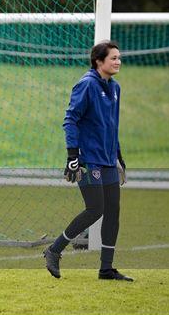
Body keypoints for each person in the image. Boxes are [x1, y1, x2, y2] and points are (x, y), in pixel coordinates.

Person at [44, 40, 133, 281]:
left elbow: (111, 127)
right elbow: (70, 120)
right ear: (98, 61)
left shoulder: (115, 88)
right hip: (88, 160)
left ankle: (106, 269)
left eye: (119, 57)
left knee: (113, 211)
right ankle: (53, 250)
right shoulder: (86, 85)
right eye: (113, 58)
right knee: (96, 209)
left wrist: (118, 156)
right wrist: (73, 155)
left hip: (107, 159)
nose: (118, 62)